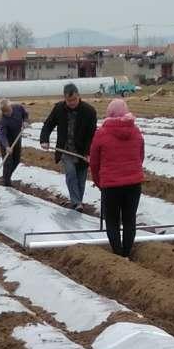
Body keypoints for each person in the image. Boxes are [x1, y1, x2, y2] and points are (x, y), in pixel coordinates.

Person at [87, 98, 146, 259]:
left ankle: (118, 254)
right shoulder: (136, 131)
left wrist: (99, 182)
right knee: (129, 219)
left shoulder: (101, 133)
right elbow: (140, 156)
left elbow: (94, 162)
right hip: (134, 184)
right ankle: (126, 253)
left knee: (112, 220)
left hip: (111, 185)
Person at [39, 82, 97, 209]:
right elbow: (48, 124)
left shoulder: (89, 112)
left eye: (74, 100)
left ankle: (78, 202)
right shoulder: (59, 108)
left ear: (78, 96)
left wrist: (88, 153)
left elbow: (91, 135)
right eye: (68, 100)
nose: (71, 103)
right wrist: (44, 139)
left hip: (82, 150)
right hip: (65, 149)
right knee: (71, 174)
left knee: (81, 178)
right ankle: (76, 202)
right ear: (64, 98)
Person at [0, 98, 28, 186]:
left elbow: (25, 114)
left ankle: (6, 177)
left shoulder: (18, 108)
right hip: (6, 141)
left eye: (9, 111)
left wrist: (25, 121)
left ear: (11, 107)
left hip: (17, 138)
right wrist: (7, 146)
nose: (8, 114)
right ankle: (7, 183)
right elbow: (2, 135)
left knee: (16, 160)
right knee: (8, 162)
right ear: (2, 112)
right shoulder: (2, 120)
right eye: (5, 113)